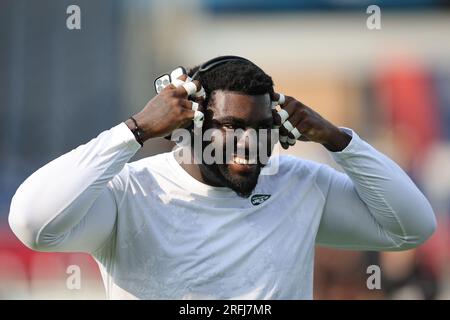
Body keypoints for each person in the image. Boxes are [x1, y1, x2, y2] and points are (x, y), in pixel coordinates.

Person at [8, 56, 436, 299]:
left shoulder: (300, 184)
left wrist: (338, 140)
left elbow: (411, 228)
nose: (249, 143)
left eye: (260, 128)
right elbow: (33, 224)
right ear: (190, 124)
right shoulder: (131, 192)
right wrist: (133, 131)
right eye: (231, 127)